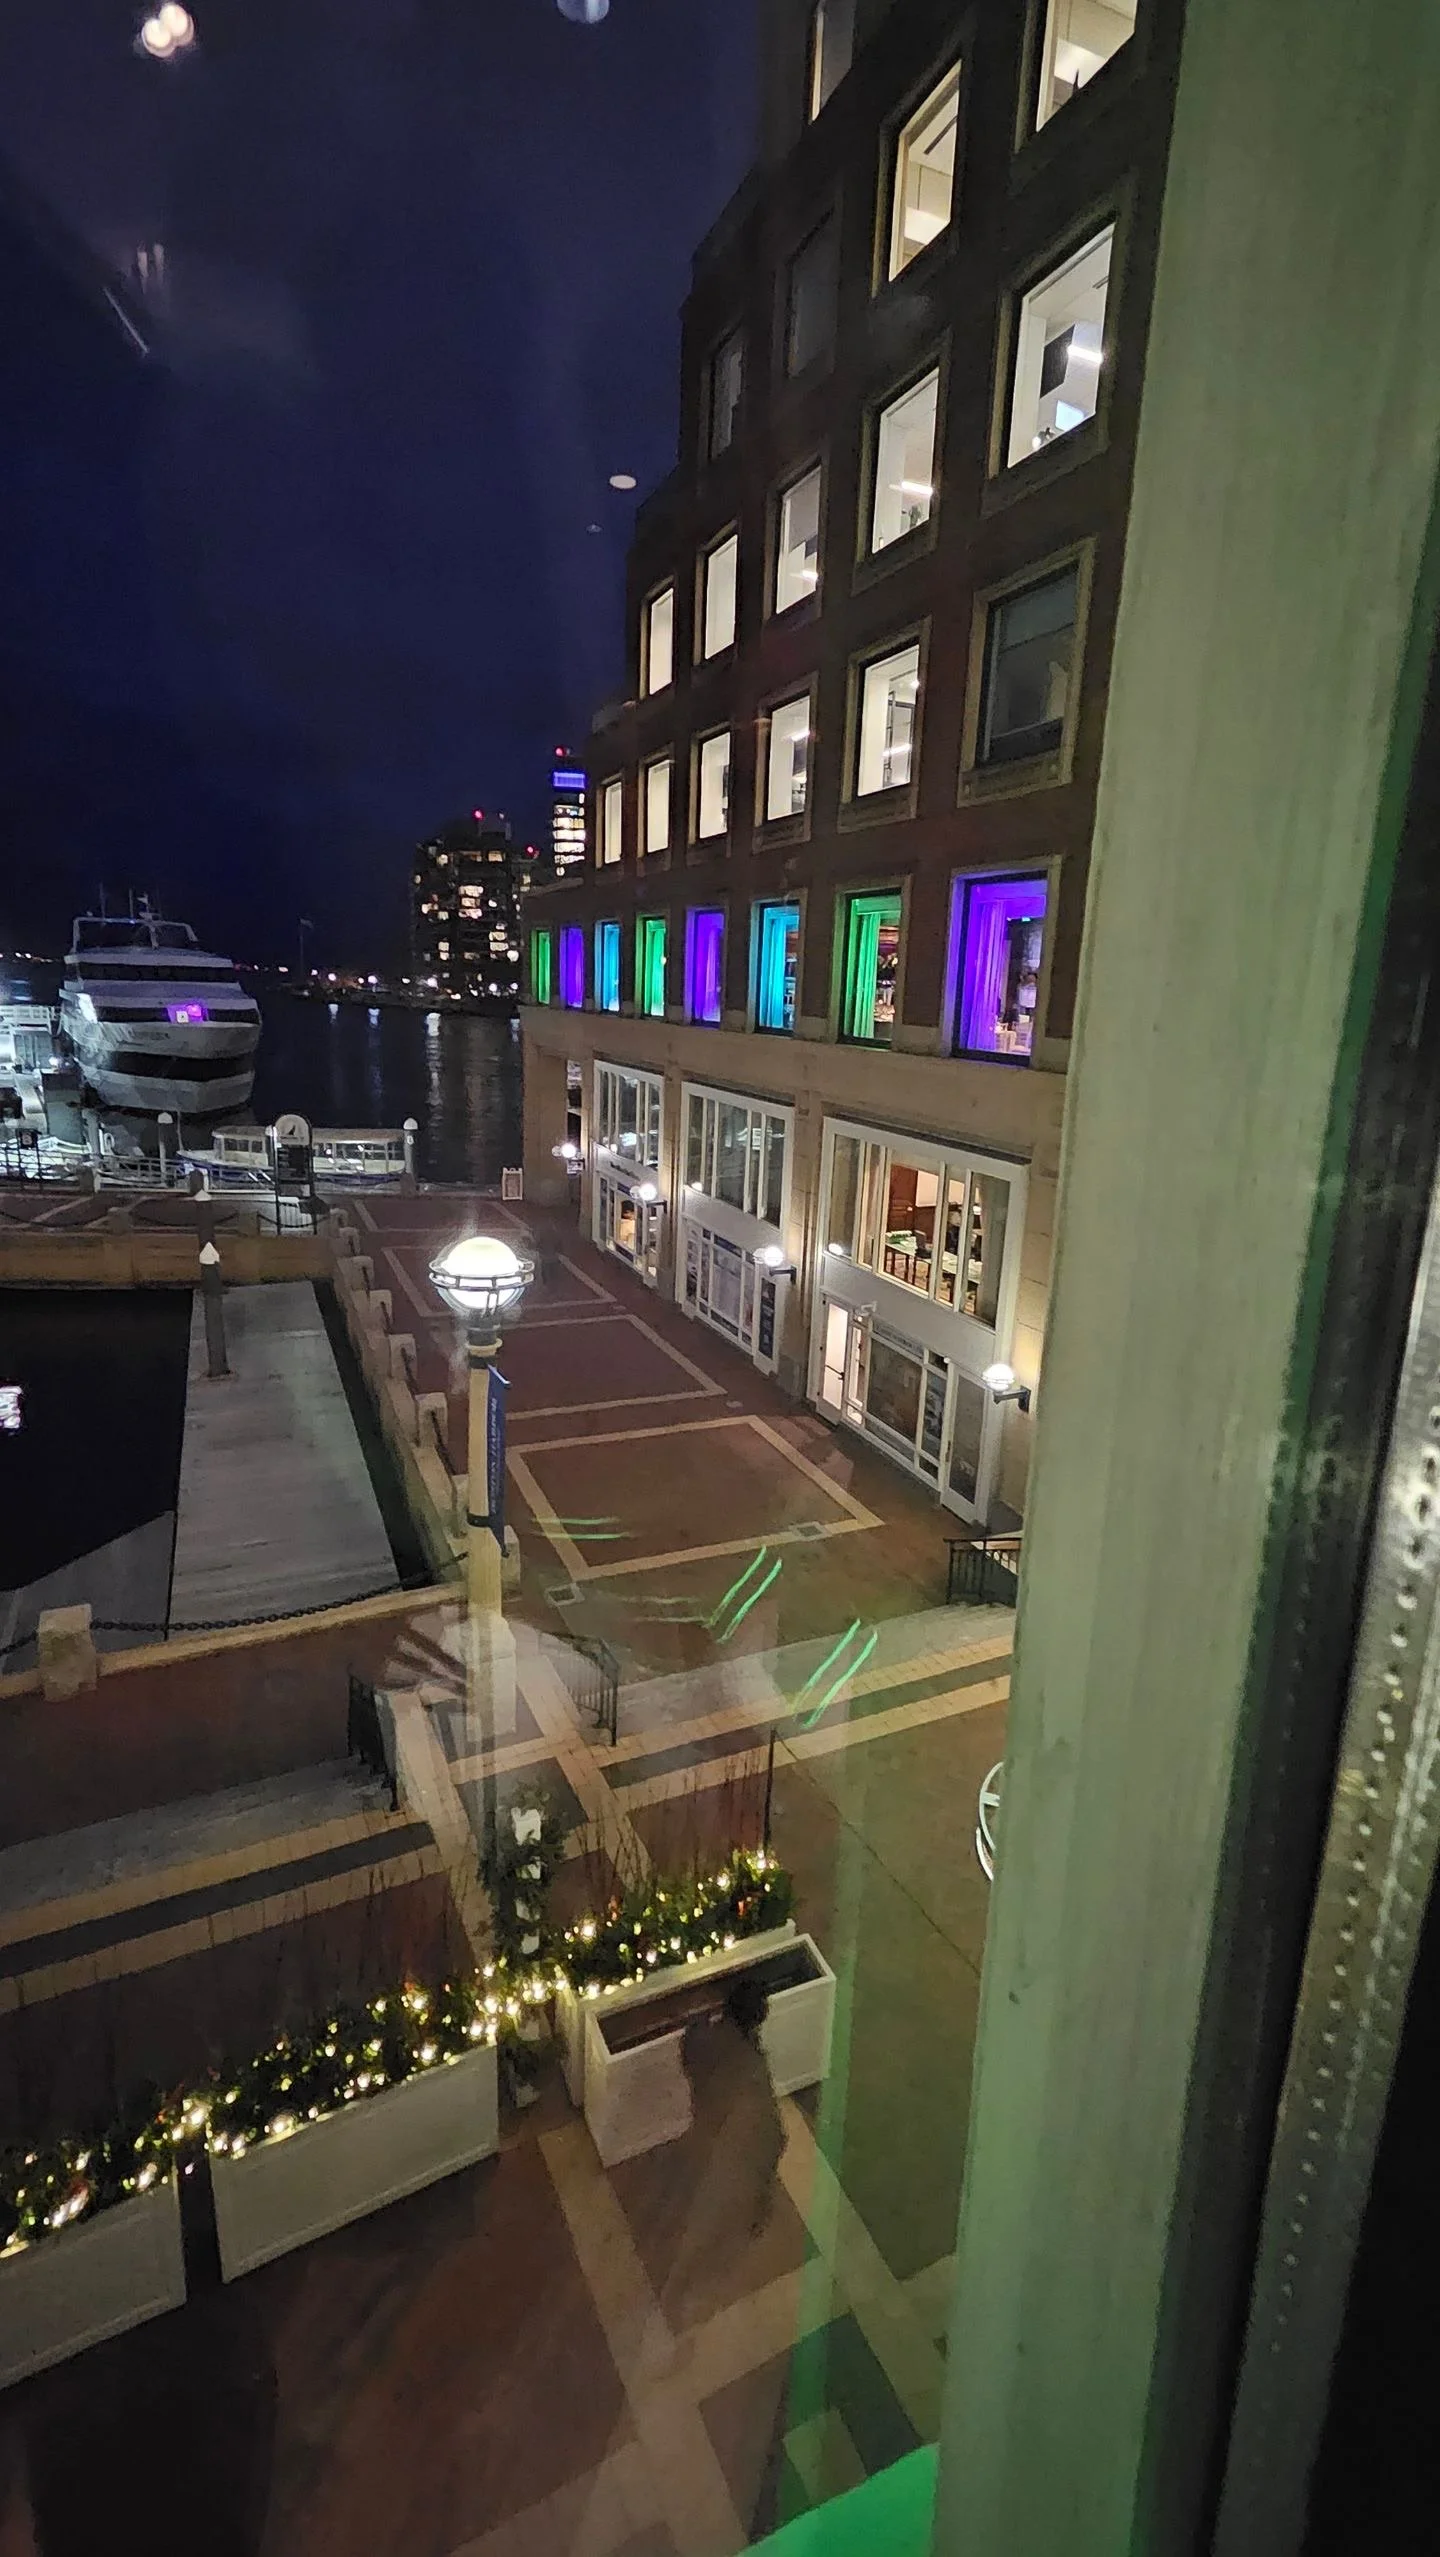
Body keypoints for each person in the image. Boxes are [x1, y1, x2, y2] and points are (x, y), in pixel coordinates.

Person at [651, 1975, 785, 2353]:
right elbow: (771, 2131)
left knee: (694, 2235)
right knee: (706, 2244)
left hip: (703, 2145)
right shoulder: (750, 2067)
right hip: (728, 2164)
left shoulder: (705, 2041)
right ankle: (676, 2319)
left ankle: (676, 2304)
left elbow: (690, 2051)